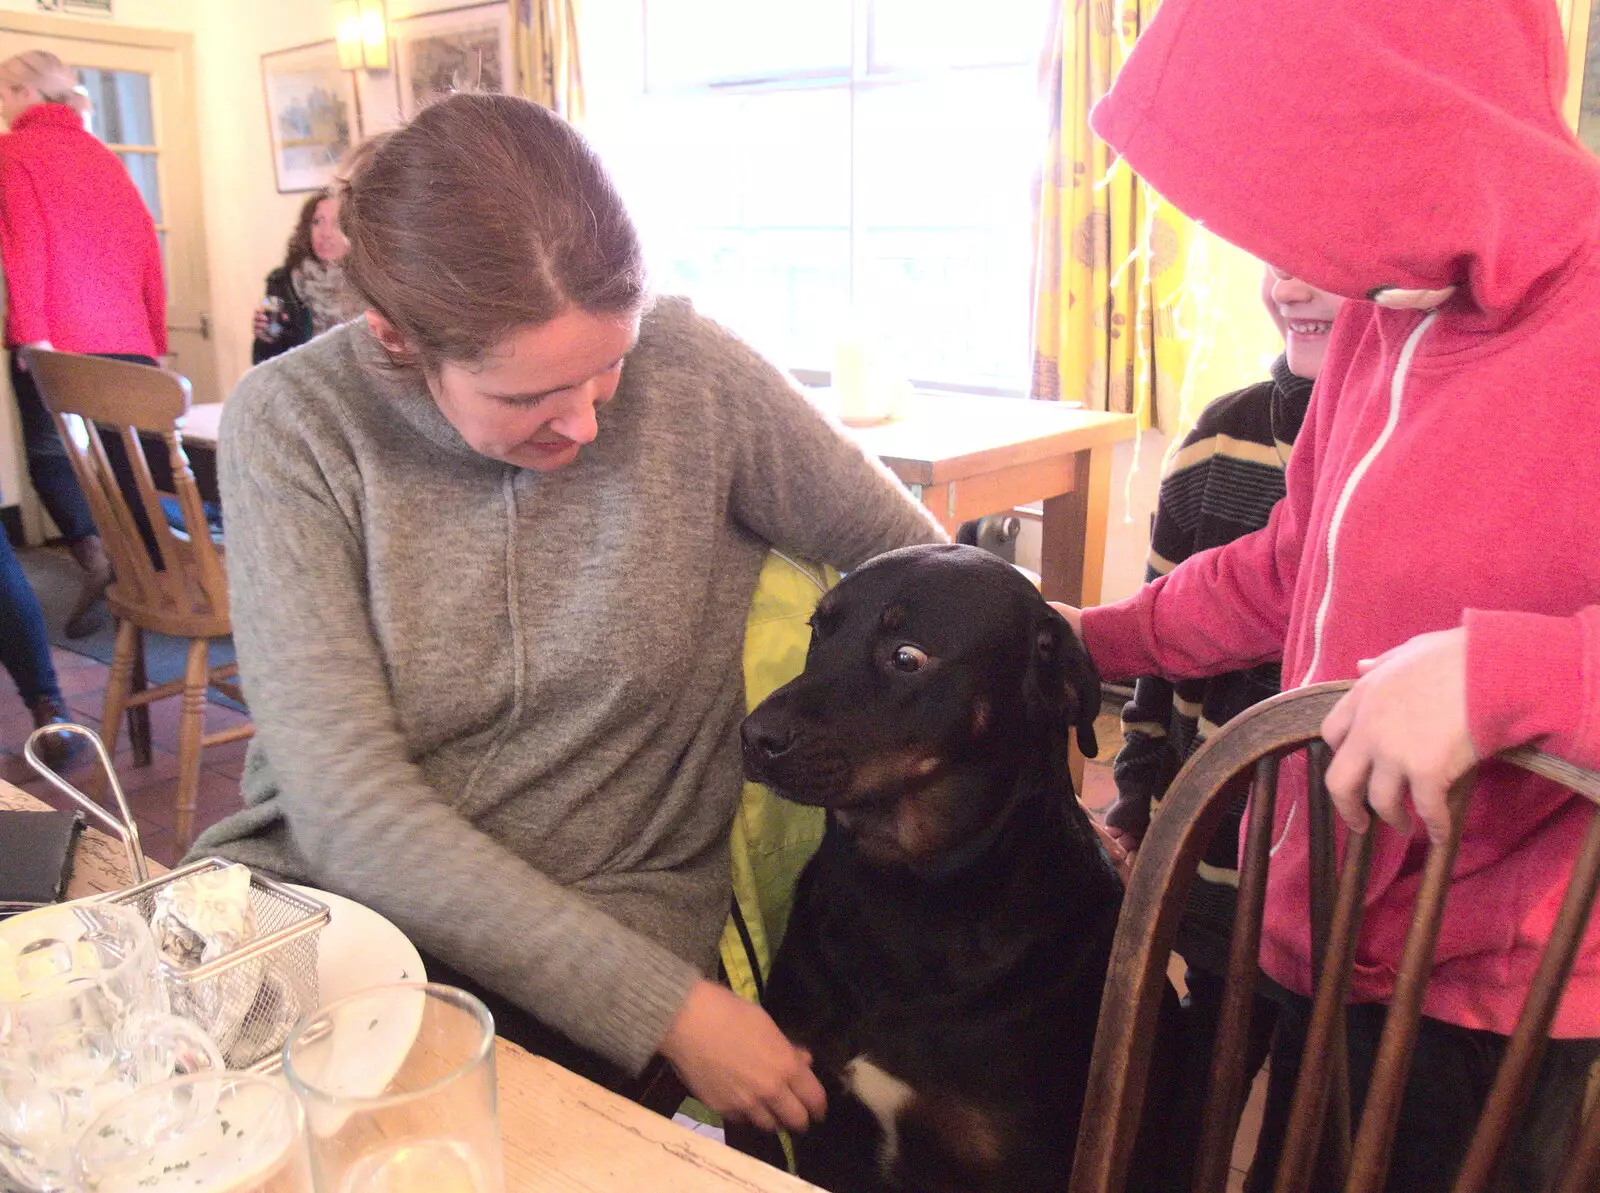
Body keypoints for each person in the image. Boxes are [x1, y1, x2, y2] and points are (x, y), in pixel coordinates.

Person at [192, 93, 944, 1135]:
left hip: (611, 904)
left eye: (609, 366)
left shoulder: (697, 376)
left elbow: (921, 567)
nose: (587, 422)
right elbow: (346, 804)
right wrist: (671, 1009)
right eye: (530, 397)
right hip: (326, 898)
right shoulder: (294, 424)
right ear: (397, 338)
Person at [1054, 1, 1600, 1190]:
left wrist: (1500, 676)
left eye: (1323, 203)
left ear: (1434, 136)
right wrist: (1088, 636)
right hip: (1320, 913)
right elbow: (1283, 568)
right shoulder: (1377, 315)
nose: (1295, 266)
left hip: (1496, 990)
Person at [1106, 263, 1346, 1185]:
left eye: (1328, 254)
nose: (1293, 281)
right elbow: (1161, 645)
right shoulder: (1218, 442)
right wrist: (1136, 798)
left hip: (1344, 901)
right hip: (1215, 876)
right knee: (1188, 1111)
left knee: (1310, 1126)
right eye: (1277, 252)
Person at [0, 50, 166, 639]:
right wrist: (155, 334)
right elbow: (148, 248)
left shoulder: (13, 154)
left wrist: (30, 334)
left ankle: (99, 560)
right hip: (127, 340)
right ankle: (154, 582)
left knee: (53, 460)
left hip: (58, 339)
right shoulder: (105, 159)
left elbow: (24, 247)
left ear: (22, 92)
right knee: (129, 462)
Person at [250, 188, 356, 364]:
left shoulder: (371, 284)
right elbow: (265, 362)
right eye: (317, 222)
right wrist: (265, 338)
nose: (326, 233)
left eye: (337, 223)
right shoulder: (281, 283)